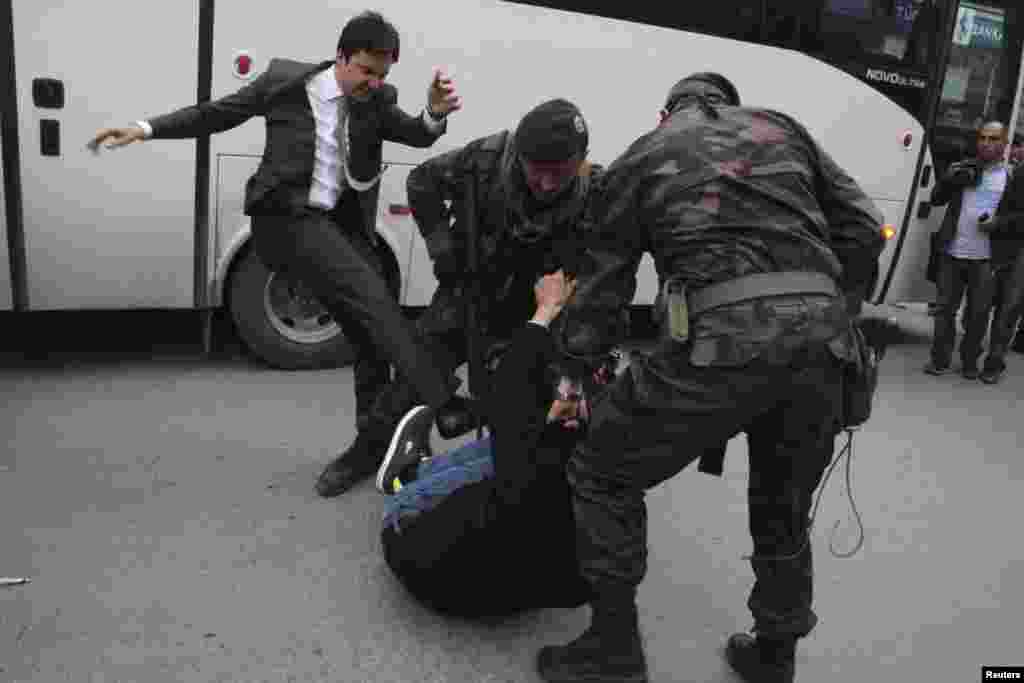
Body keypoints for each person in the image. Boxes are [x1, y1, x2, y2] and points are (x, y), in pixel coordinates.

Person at [534, 73, 884, 683]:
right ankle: (775, 657)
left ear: (667, 110)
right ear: (730, 104)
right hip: (825, 350)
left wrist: (576, 380)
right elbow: (862, 225)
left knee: (600, 472)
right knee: (783, 506)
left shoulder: (646, 152)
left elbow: (603, 292)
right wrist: (832, 313)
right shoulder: (784, 128)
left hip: (721, 346)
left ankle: (612, 649)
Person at [87, 11, 464, 469]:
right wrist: (146, 129)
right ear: (341, 57)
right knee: (372, 295)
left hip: (338, 226)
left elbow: (418, 135)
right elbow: (217, 114)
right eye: (366, 70)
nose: (373, 82)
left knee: (368, 333)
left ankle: (367, 447)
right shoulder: (285, 82)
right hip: (283, 220)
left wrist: (433, 116)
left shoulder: (377, 100)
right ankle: (445, 404)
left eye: (382, 75)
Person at [314, 98, 613, 497]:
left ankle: (549, 476)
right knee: (415, 375)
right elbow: (421, 181)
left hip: (546, 309)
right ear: (520, 156)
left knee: (554, 396)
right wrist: (445, 255)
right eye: (536, 171)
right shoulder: (486, 160)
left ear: (581, 159)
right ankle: (367, 452)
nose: (545, 184)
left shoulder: (597, 190)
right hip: (473, 291)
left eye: (558, 174)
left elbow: (606, 269)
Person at [376, 264, 617, 617]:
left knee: (502, 451)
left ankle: (404, 479)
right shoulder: (616, 440)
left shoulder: (529, 441)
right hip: (525, 596)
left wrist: (544, 313)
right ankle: (417, 472)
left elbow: (507, 396)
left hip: (433, 576)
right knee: (530, 451)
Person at [924, 121, 1011, 380]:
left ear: (1004, 144)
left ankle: (970, 362)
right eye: (983, 137)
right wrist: (950, 179)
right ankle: (939, 360)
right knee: (944, 312)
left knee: (977, 316)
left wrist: (997, 224)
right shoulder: (963, 169)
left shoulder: (1010, 178)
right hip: (952, 252)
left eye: (993, 139)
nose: (986, 143)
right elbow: (936, 198)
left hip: (986, 259)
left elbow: (1017, 217)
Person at [978, 157, 1024, 383]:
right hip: (1002, 244)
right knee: (985, 303)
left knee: (1008, 307)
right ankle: (974, 356)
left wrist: (999, 222)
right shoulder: (1016, 170)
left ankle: (994, 362)